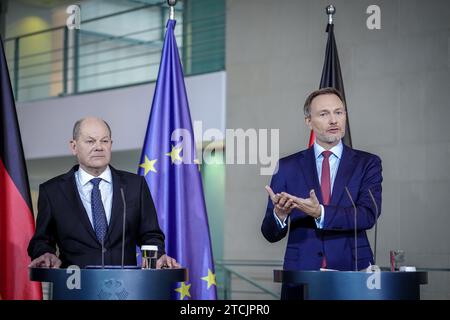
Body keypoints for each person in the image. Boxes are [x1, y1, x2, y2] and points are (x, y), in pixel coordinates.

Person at [261, 87, 382, 299]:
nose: (334, 120)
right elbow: (269, 233)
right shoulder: (287, 167)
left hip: (353, 271)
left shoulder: (367, 163)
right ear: (309, 121)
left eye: (339, 112)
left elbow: (368, 214)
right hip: (301, 274)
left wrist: (321, 213)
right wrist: (279, 216)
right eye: (324, 114)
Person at [28, 117, 179, 269]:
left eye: (104, 141)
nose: (99, 147)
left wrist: (158, 256)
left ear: (111, 145)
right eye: (90, 141)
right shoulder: (53, 191)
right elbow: (42, 240)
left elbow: (151, 236)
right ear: (74, 147)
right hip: (74, 287)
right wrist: (45, 253)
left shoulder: (135, 185)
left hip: (125, 287)